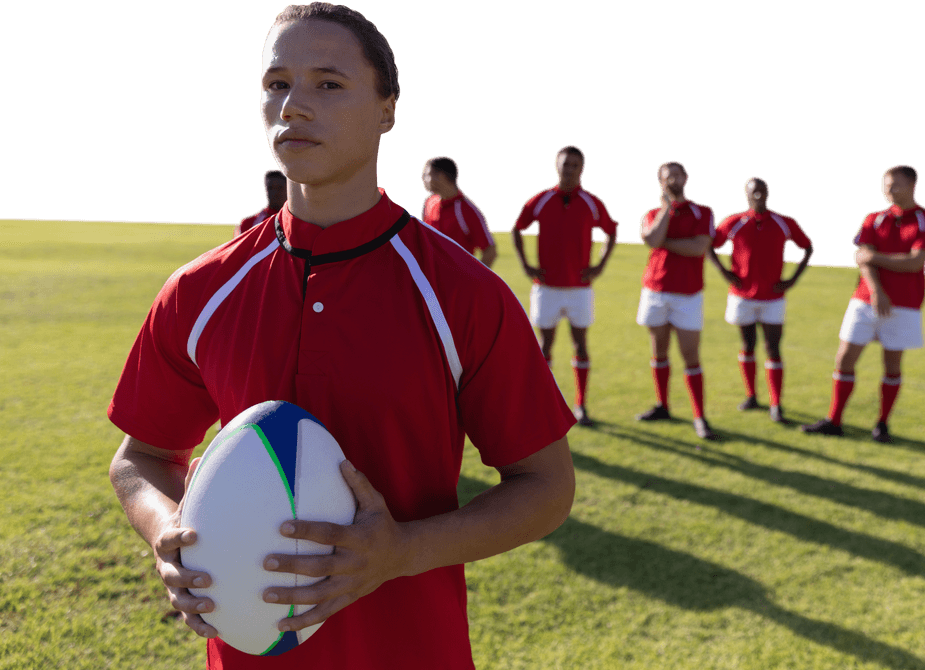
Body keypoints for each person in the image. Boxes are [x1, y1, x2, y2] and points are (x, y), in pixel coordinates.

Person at [107, 5, 576, 669]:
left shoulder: (462, 294)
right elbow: (139, 458)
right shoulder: (199, 291)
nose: (294, 105)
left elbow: (547, 487)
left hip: (415, 652)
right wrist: (168, 532)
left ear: (388, 109)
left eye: (328, 83)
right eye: (277, 83)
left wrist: (403, 551)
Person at [801, 164, 925, 442]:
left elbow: (914, 263)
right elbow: (861, 259)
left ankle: (882, 424)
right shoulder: (874, 218)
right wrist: (877, 290)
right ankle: (835, 420)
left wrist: (875, 258)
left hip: (904, 304)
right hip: (865, 300)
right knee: (844, 359)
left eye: (894, 185)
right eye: (884, 185)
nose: (887, 190)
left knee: (891, 365)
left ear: (912, 186)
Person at [511, 145, 619, 427]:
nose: (568, 169)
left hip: (579, 289)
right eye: (565, 164)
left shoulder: (592, 202)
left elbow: (611, 231)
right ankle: (542, 404)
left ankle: (580, 405)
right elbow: (518, 228)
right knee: (544, 346)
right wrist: (526, 265)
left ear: (582, 169)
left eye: (574, 165)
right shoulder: (541, 199)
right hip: (546, 287)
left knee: (580, 345)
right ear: (556, 166)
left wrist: (599, 265)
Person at [711, 177, 814, 424]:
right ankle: (752, 396)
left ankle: (776, 404)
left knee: (772, 348)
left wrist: (792, 280)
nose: (759, 194)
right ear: (746, 194)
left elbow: (807, 247)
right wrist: (725, 273)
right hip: (742, 296)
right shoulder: (734, 222)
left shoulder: (784, 222)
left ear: (769, 193)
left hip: (772, 297)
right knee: (747, 345)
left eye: (763, 190)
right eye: (754, 191)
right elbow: (709, 245)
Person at [635, 161, 720, 440]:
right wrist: (667, 210)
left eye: (676, 175)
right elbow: (652, 239)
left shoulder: (703, 212)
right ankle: (662, 405)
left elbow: (698, 248)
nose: (671, 180)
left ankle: (699, 416)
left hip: (687, 294)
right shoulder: (651, 213)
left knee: (690, 356)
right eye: (665, 177)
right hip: (656, 291)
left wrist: (665, 244)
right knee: (658, 351)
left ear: (686, 178)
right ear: (659, 182)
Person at [420, 156, 497, 267]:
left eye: (427, 175)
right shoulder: (429, 203)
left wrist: (473, 279)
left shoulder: (465, 209)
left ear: (441, 176)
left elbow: (490, 251)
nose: (424, 179)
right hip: (432, 280)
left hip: (457, 281)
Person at [235, 169, 287, 237]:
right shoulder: (249, 224)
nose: (275, 193)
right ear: (265, 189)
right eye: (270, 188)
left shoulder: (296, 222)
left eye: (280, 188)